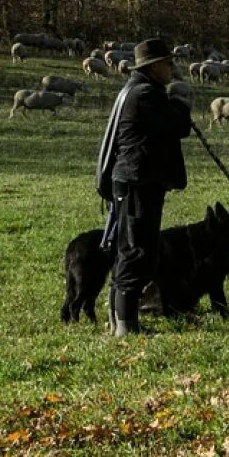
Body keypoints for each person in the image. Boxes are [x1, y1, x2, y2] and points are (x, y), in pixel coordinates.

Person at [95, 38, 192, 336]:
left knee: (131, 248)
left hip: (133, 179)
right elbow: (178, 126)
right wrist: (180, 102)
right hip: (139, 181)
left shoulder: (135, 91)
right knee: (137, 250)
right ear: (153, 67)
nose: (171, 69)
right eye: (167, 63)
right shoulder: (147, 95)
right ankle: (126, 325)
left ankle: (120, 320)